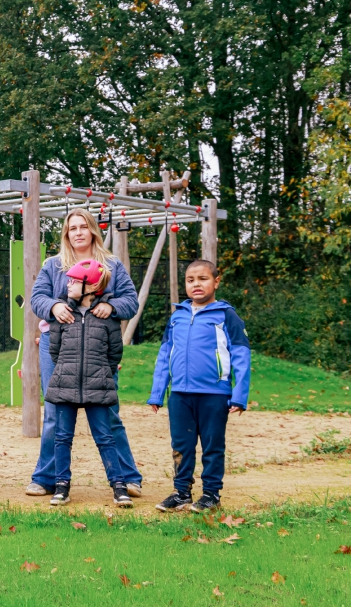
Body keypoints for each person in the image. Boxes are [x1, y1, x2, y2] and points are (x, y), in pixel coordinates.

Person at [27, 208, 142, 498]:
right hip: (59, 347)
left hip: (96, 349)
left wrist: (112, 307)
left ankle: (128, 477)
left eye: (83, 227)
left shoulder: (112, 266)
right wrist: (53, 306)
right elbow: (37, 298)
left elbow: (131, 301)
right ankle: (46, 478)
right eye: (72, 228)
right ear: (66, 234)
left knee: (108, 413)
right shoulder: (54, 265)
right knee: (54, 413)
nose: (77, 232)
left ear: (92, 230)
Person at [149, 260, 251, 513]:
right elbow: (165, 355)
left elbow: (241, 356)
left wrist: (239, 396)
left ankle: (211, 495)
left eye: (203, 279)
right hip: (180, 395)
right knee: (181, 446)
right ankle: (181, 492)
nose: (196, 284)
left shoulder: (227, 315)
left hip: (214, 395)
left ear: (216, 282)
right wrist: (157, 392)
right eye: (190, 280)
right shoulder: (177, 317)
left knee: (212, 445)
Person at [45, 261, 132, 508]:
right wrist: (68, 369)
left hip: (98, 386)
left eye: (73, 280)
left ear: (91, 286)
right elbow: (55, 351)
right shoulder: (62, 316)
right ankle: (61, 485)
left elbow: (115, 353)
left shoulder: (107, 318)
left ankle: (118, 485)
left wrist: (99, 371)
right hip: (65, 385)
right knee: (62, 437)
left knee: (105, 437)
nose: (68, 284)